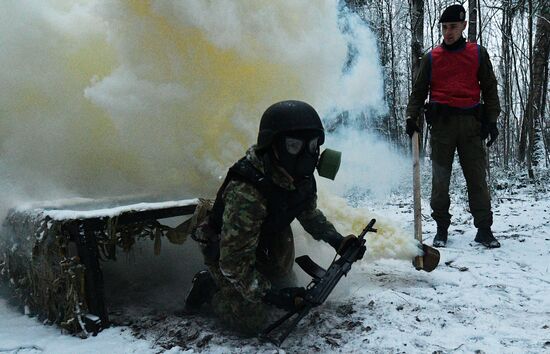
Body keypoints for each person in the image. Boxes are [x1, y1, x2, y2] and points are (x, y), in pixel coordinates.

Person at [185, 100, 361, 335]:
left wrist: (338, 241)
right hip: (225, 245)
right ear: (273, 146)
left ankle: (266, 282)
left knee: (288, 288)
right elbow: (233, 263)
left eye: (312, 145)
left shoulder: (301, 178)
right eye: (294, 145)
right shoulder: (248, 191)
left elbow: (308, 214)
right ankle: (209, 287)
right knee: (252, 318)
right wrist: (274, 296)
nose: (307, 154)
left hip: (267, 233)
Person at [405, 4, 501, 249]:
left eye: (453, 27)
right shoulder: (432, 57)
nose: (448, 32)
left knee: (476, 178)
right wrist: (410, 117)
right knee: (440, 180)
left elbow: (490, 87)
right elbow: (418, 92)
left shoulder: (478, 53)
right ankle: (441, 228)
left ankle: (484, 229)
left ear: (464, 26)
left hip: (471, 125)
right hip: (442, 127)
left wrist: (492, 120)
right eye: (445, 27)